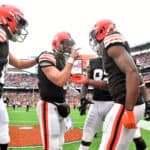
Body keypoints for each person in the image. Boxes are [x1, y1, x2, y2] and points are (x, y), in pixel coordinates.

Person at [71, 19, 145, 150]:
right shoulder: (114, 49)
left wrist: (128, 110)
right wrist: (87, 81)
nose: (94, 40)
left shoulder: (111, 39)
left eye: (95, 35)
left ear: (102, 31)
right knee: (116, 144)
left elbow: (132, 72)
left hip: (123, 104)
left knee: (109, 146)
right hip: (122, 103)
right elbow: (111, 85)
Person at [0, 4, 37, 150]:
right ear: (7, 18)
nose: (19, 29)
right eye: (19, 23)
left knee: (3, 131)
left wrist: (36, 60)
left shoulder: (4, 42)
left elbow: (19, 64)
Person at [36, 31, 79, 150]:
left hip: (60, 104)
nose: (69, 46)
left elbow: (63, 83)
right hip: (48, 105)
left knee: (60, 142)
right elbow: (59, 80)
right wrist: (71, 61)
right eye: (66, 43)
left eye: (70, 44)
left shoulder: (62, 60)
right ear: (56, 44)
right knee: (52, 143)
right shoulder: (48, 55)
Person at [78, 57, 113, 150]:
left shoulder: (118, 58)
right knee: (86, 135)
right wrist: (82, 98)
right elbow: (85, 82)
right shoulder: (93, 62)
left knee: (109, 136)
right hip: (96, 103)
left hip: (113, 103)